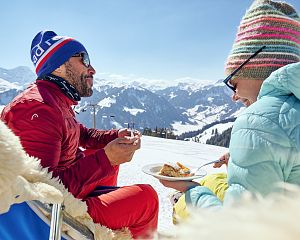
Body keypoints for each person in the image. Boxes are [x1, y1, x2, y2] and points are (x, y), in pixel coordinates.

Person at [0, 30, 158, 239]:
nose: (92, 68)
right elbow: (42, 191)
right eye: (84, 59)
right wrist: (106, 159)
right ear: (58, 66)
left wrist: (114, 135)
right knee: (147, 198)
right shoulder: (36, 109)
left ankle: (113, 206)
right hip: (60, 213)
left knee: (100, 152)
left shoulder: (55, 99)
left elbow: (79, 133)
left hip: (72, 191)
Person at [161, 0, 300, 212]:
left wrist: (191, 191)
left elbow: (236, 229)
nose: (233, 96)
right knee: (216, 179)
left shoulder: (259, 122)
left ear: (256, 66)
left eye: (232, 82)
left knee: (186, 206)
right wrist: (246, 161)